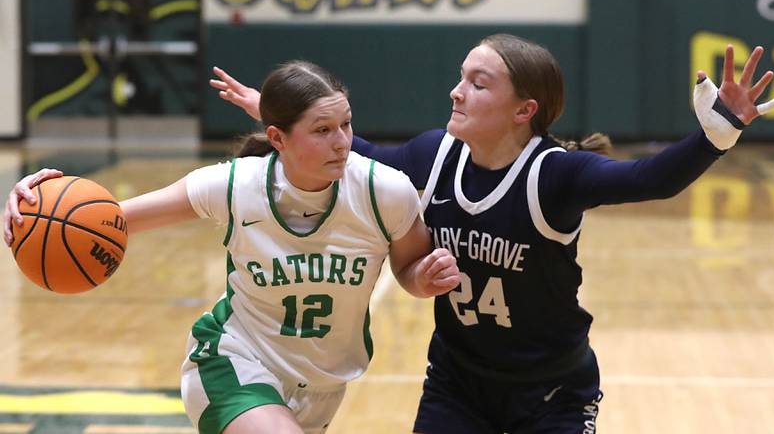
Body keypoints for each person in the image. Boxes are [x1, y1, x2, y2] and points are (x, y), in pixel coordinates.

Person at [207, 36, 774, 433]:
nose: (457, 92)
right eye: (460, 79)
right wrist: (281, 115)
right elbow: (360, 153)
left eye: (478, 85)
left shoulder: (554, 174)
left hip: (552, 393)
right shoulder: (433, 156)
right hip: (459, 384)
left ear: (522, 109)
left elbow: (648, 180)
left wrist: (716, 135)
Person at [3, 61, 460, 434]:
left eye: (346, 124)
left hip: (322, 386)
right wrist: (34, 201)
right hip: (233, 362)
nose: (342, 142)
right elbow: (109, 220)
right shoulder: (233, 186)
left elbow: (409, 270)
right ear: (278, 139)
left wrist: (423, 278)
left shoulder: (386, 191)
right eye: (322, 130)